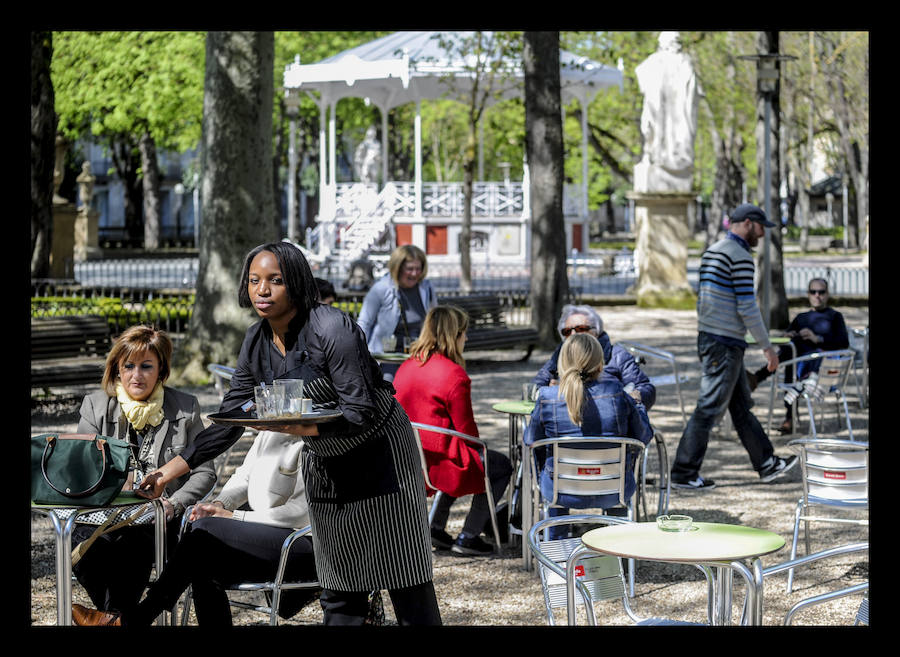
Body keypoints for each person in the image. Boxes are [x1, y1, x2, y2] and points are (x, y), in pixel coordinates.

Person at [137, 241, 441, 626]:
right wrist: (166, 474)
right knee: (341, 585)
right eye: (254, 281)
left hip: (381, 459)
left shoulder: (332, 327)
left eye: (274, 280)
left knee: (406, 581)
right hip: (327, 461)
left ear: (296, 282)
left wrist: (300, 427)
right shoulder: (256, 340)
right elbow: (231, 418)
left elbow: (360, 411)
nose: (262, 290)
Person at [71, 430, 320, 626]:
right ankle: (131, 620)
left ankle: (132, 621)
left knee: (204, 534)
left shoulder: (317, 438)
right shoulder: (273, 428)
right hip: (265, 532)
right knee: (201, 551)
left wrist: (233, 516)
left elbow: (299, 513)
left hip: (302, 543)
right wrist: (219, 504)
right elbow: (244, 477)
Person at [72, 324, 216, 620]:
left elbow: (206, 472)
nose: (136, 375)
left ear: (161, 371)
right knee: (82, 549)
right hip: (105, 514)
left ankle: (109, 618)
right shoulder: (95, 406)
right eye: (129, 366)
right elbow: (80, 469)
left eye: (146, 366)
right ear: (117, 370)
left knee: (133, 547)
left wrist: (174, 504)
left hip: (160, 519)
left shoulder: (186, 408)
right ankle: (119, 619)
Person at [670, 203, 798, 490]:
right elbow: (747, 306)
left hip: (715, 339)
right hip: (724, 344)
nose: (763, 233)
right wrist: (767, 348)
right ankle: (683, 472)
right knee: (709, 408)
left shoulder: (713, 251)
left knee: (740, 407)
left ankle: (766, 463)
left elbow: (704, 300)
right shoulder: (739, 256)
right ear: (749, 223)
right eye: (761, 226)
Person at [393, 305, 513, 556]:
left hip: (412, 457)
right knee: (499, 465)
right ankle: (469, 536)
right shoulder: (454, 375)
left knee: (457, 451)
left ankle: (435, 526)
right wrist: (480, 450)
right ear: (453, 335)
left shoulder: (407, 366)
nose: (466, 338)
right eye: (463, 333)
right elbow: (467, 430)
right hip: (441, 463)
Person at [524, 333, 653, 540]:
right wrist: (637, 404)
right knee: (619, 470)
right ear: (600, 364)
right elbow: (644, 436)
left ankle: (557, 549)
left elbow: (531, 440)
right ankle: (616, 548)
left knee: (553, 468)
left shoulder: (547, 397)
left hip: (562, 490)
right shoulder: (617, 392)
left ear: (562, 364)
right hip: (615, 489)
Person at [746, 278, 849, 434]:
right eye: (813, 292)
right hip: (798, 361)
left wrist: (817, 339)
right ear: (808, 294)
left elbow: (844, 342)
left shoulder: (835, 316)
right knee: (790, 352)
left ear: (827, 294)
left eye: (821, 292)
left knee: (790, 357)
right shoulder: (801, 318)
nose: (817, 296)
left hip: (821, 366)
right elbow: (783, 341)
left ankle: (759, 379)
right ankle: (788, 415)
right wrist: (789, 335)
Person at [532, 304, 656, 409]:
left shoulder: (618, 356)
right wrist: (552, 392)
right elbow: (536, 385)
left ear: (596, 331)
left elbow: (645, 388)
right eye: (567, 331)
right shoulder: (559, 355)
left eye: (581, 329)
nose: (574, 334)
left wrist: (626, 398)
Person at [357, 244, 437, 380]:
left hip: (419, 353)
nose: (415, 273)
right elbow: (364, 323)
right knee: (390, 387)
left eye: (418, 268)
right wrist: (360, 356)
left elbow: (435, 320)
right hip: (387, 355)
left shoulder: (426, 287)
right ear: (397, 268)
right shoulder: (381, 289)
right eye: (410, 269)